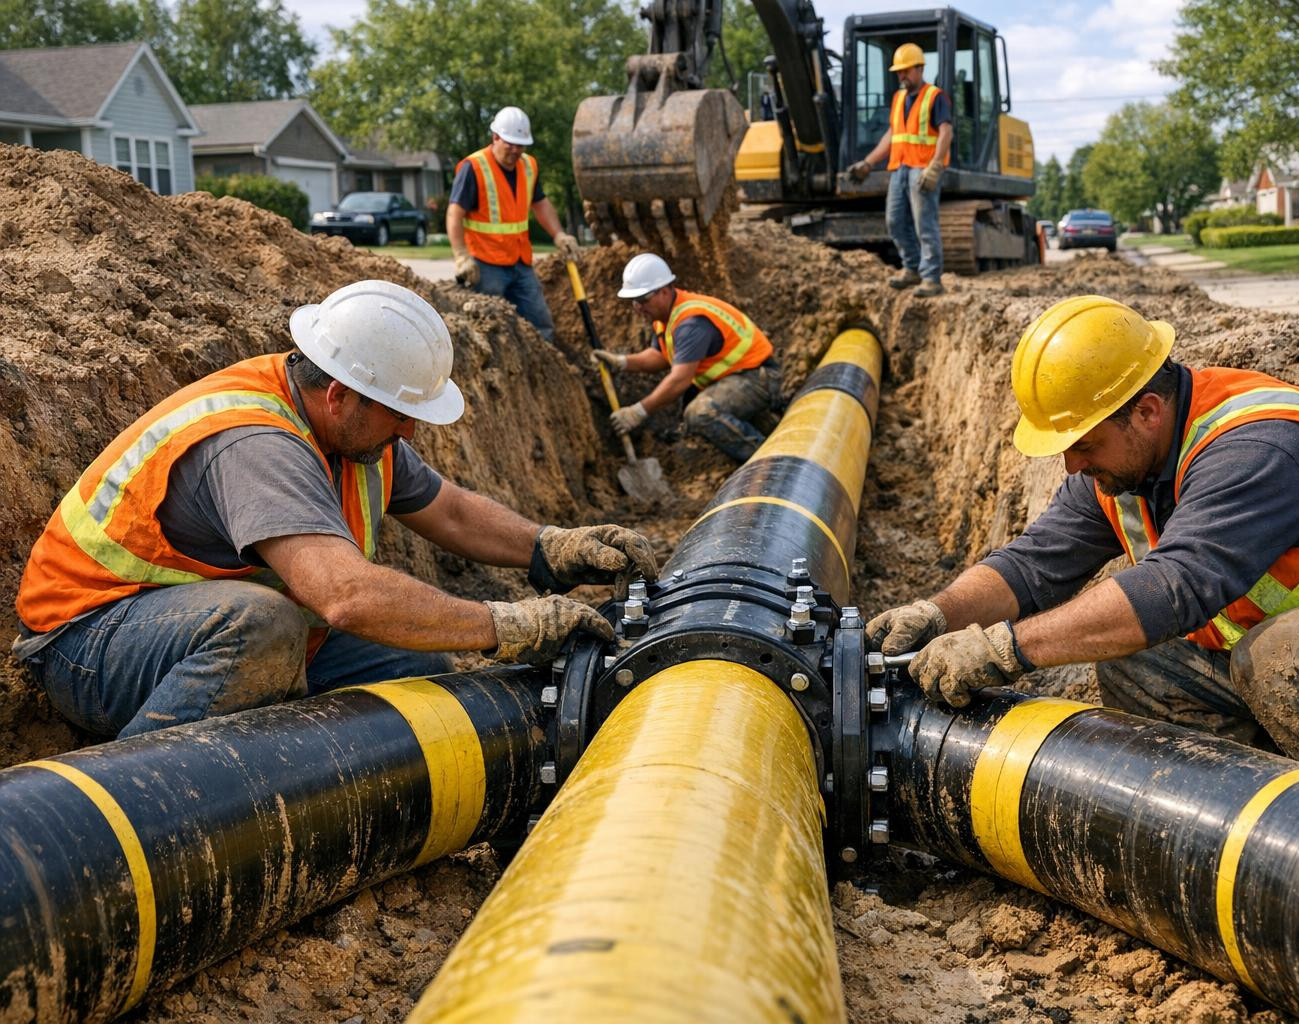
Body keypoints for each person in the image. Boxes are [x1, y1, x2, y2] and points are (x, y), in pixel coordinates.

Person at [868, 294, 1299, 834]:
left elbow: (1174, 587)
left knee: (1281, 659)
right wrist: (938, 613)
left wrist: (1004, 650)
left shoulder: (1257, 449)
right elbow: (1034, 565)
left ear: (1148, 412)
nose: (1071, 464)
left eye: (1082, 443)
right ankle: (1247, 821)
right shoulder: (1123, 463)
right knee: (1138, 657)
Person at [13, 280, 655, 739]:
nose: (409, 432)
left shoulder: (354, 431)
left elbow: (451, 512)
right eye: (402, 413)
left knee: (418, 665)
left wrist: (550, 546)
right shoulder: (257, 444)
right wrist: (507, 624)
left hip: (189, 629)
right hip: (90, 647)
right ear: (343, 396)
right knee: (261, 625)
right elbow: (344, 596)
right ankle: (145, 788)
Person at [591, 253, 781, 464]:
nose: (638, 307)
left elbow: (680, 380)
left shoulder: (690, 323)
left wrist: (638, 412)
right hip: (736, 378)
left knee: (700, 412)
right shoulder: (665, 318)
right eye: (633, 301)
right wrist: (621, 362)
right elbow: (660, 357)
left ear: (663, 291)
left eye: (642, 299)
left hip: (758, 378)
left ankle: (765, 463)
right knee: (695, 405)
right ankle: (763, 425)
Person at [447, 105, 581, 341]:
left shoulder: (528, 166)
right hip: (487, 264)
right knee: (490, 327)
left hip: (520, 262)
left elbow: (540, 204)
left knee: (541, 322)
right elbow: (454, 214)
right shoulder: (474, 167)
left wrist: (559, 234)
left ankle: (544, 372)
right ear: (495, 137)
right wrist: (461, 255)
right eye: (510, 143)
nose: (515, 150)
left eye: (521, 145)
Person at [845, 42, 953, 298]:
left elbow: (946, 131)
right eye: (898, 72)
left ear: (919, 68)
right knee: (894, 221)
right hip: (900, 168)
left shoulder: (935, 96)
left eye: (905, 71)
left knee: (925, 224)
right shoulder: (899, 98)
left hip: (922, 169)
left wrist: (935, 166)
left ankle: (931, 278)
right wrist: (868, 163)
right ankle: (912, 268)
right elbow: (894, 134)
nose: (901, 76)